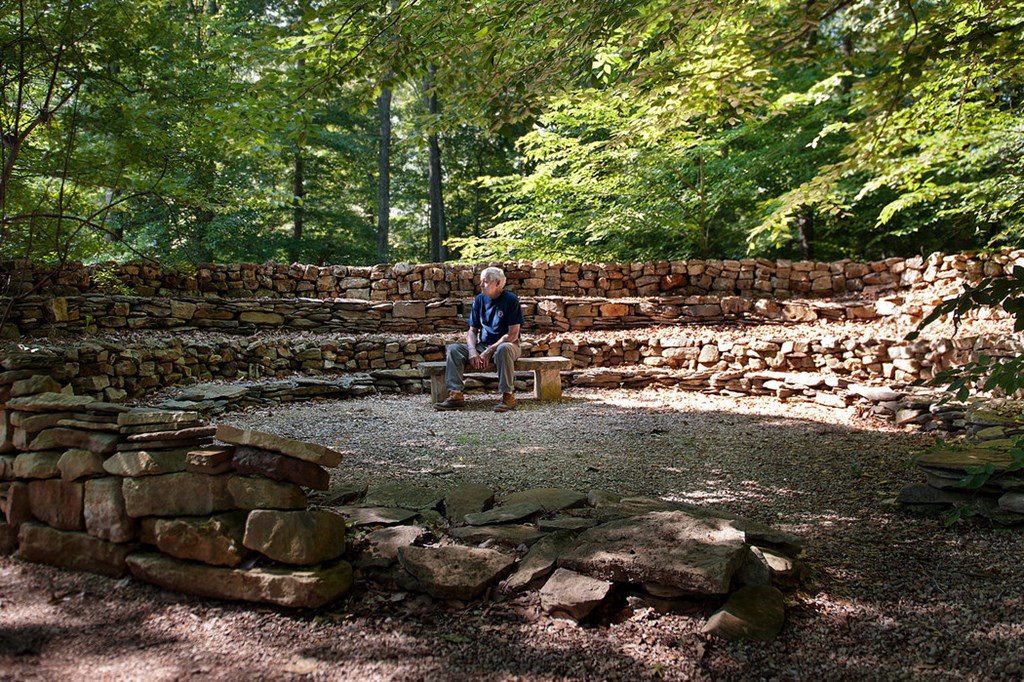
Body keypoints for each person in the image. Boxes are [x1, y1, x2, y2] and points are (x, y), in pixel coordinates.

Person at [434, 266, 524, 412]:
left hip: (508, 345)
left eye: (485, 281)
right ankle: (456, 395)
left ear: (498, 283)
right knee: (454, 349)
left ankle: (508, 396)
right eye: (481, 281)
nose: (481, 284)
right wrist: (472, 350)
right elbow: (472, 330)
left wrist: (490, 350)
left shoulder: (510, 300)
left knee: (503, 349)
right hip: (484, 345)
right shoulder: (480, 300)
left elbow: (512, 334)